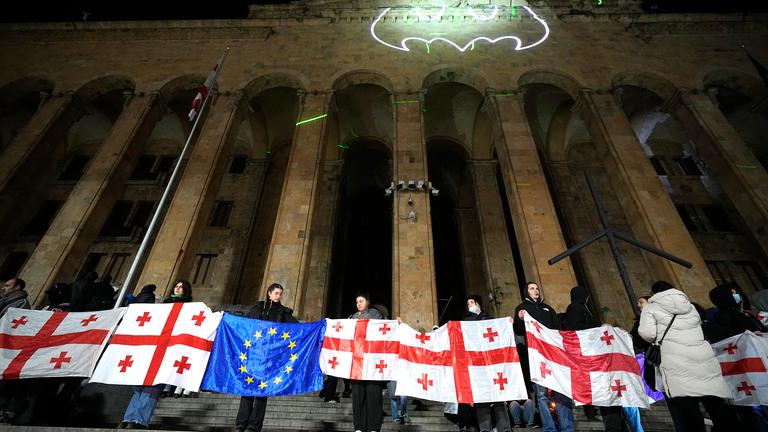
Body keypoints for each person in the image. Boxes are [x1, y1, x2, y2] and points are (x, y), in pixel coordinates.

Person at [638, 281, 740, 432]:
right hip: (702, 356)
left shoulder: (651, 308)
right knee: (714, 401)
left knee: (687, 406)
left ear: (654, 294)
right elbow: (698, 324)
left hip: (675, 358)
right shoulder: (689, 306)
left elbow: (648, 333)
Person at [118, 280, 191, 430]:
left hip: (168, 350)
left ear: (186, 290)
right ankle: (128, 417)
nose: (177, 288)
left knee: (153, 386)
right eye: (176, 286)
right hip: (151, 347)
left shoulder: (189, 308)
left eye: (181, 287)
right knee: (139, 385)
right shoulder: (164, 305)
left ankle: (139, 419)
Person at [235, 283, 297, 432]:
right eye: (276, 293)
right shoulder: (259, 307)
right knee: (248, 390)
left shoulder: (283, 312)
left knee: (263, 392)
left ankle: (254, 426)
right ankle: (241, 424)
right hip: (254, 356)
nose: (278, 296)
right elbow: (245, 323)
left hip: (270, 358)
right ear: (269, 293)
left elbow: (296, 327)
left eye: (280, 294)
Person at [513, 282, 574, 432]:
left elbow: (559, 329)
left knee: (561, 391)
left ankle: (567, 427)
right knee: (541, 395)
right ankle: (549, 427)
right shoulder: (522, 308)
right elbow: (519, 330)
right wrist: (519, 319)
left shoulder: (548, 309)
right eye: (532, 288)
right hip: (537, 357)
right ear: (526, 292)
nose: (536, 291)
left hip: (554, 356)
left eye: (537, 288)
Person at [465, 294, 511, 432]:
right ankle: (485, 428)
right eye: (468, 303)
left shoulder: (490, 319)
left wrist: (507, 323)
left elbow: (500, 332)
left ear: (478, 304)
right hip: (477, 363)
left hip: (492, 362)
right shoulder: (466, 321)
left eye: (472, 302)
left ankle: (505, 428)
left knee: (498, 396)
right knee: (481, 396)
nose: (470, 304)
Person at [349, 292, 384, 432]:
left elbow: (385, 329)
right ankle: (359, 426)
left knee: (373, 394)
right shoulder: (351, 318)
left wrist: (397, 323)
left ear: (367, 302)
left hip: (372, 361)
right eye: (357, 301)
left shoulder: (376, 314)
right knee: (357, 396)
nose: (359, 303)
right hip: (357, 362)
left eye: (361, 301)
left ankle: (373, 426)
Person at [0, 277, 30, 424]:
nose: (3, 288)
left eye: (7, 285)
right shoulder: (4, 302)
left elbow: (15, 326)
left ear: (17, 287)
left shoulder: (21, 303)